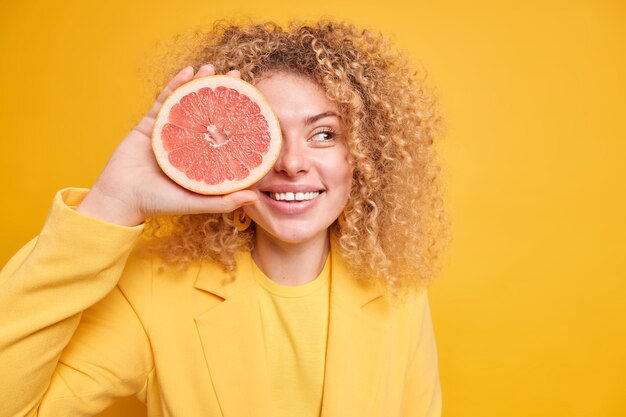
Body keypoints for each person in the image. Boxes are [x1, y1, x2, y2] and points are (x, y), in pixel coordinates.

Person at [0, 20, 448, 417]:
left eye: (324, 134)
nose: (292, 163)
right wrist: (111, 201)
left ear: (364, 158)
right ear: (223, 150)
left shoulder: (398, 291)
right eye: (267, 134)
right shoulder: (152, 291)